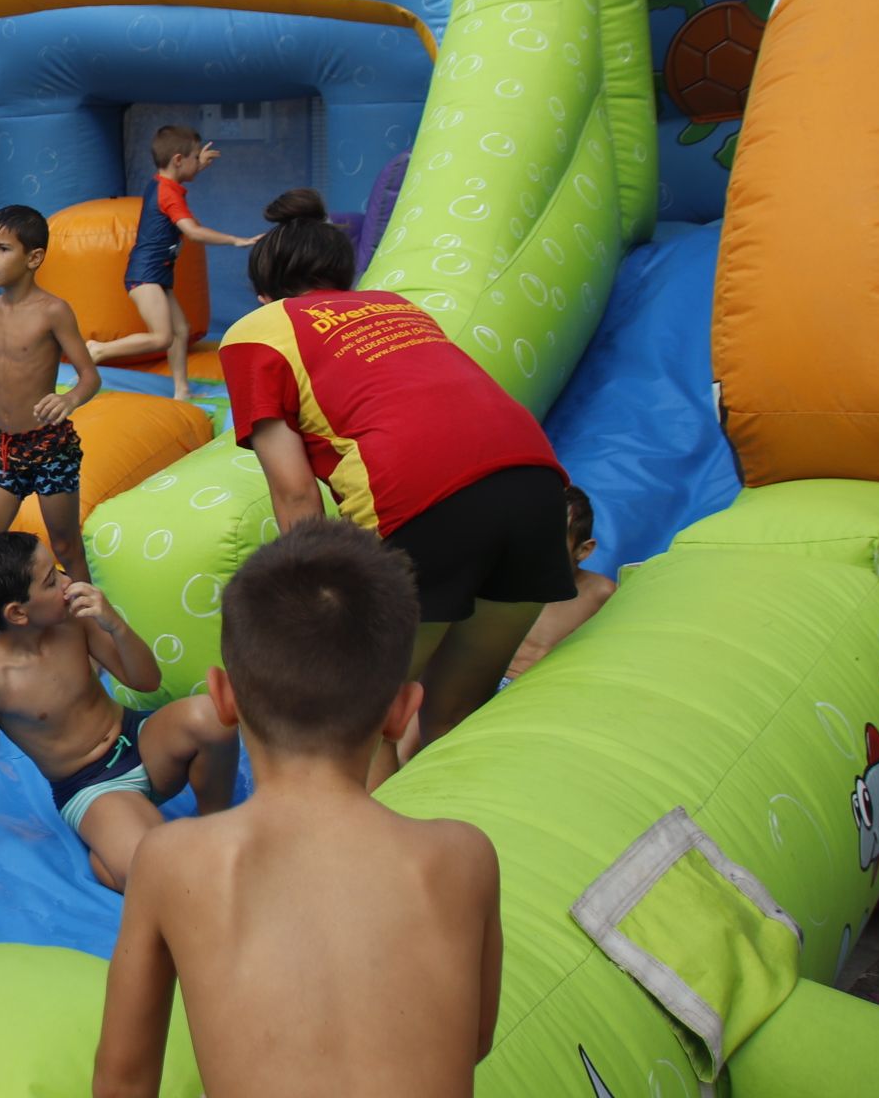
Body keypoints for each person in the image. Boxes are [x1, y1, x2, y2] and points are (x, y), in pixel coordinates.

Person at [92, 520, 501, 1097]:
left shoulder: (171, 860)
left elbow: (123, 1081)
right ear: (402, 711)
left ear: (223, 696)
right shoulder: (465, 857)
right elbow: (475, 1041)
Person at [220, 188, 570, 778]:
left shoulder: (257, 331)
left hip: (422, 505)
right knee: (456, 710)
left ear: (263, 294)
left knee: (359, 720)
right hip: (537, 488)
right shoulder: (399, 308)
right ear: (344, 276)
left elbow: (295, 492)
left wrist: (315, 602)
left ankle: (362, 863)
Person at [0, 532, 237, 892]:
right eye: (51, 581)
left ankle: (216, 825)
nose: (68, 582)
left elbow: (147, 682)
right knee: (160, 869)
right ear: (17, 612)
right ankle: (109, 858)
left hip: (139, 740)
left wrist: (115, 624)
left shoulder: (73, 619)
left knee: (211, 717)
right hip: (93, 787)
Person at [0, 204, 100, 582]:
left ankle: (94, 627)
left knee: (65, 547)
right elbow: (1, 371)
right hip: (4, 449)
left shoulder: (53, 311)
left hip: (49, 448)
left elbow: (89, 377)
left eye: (2, 249)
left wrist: (68, 399)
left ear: (34, 257)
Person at [89, 126, 258, 400]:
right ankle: (97, 350)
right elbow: (192, 231)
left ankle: (181, 390)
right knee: (162, 337)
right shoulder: (168, 193)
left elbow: (182, 175)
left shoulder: (162, 183)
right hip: (146, 276)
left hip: (157, 274)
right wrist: (236, 240)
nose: (198, 163)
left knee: (181, 331)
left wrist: (197, 166)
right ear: (178, 160)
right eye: (194, 158)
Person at [503, 484, 616, 682]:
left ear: (584, 550)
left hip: (540, 688)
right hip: (488, 683)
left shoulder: (599, 592)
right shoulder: (503, 580)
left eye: (552, 544)